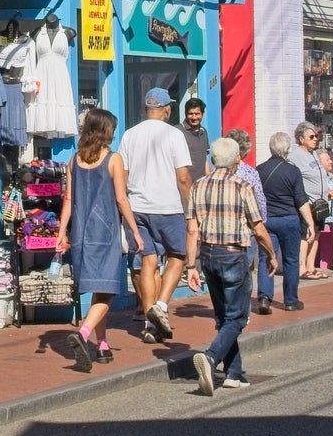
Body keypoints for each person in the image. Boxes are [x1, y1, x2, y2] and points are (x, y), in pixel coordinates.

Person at [185, 137, 282, 396]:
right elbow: (258, 228)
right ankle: (210, 357)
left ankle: (234, 373)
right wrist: (271, 255)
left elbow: (192, 229)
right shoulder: (242, 186)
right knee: (237, 317)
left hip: (208, 255)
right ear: (235, 159)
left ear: (212, 159)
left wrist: (191, 265)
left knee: (224, 317)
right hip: (233, 254)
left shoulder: (198, 186)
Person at [58, 107, 140, 369]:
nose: (114, 134)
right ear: (104, 130)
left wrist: (61, 233)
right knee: (108, 292)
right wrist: (135, 231)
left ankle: (102, 344)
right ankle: (83, 334)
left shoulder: (74, 160)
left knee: (98, 291)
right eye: (112, 129)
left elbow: (68, 199)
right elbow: (121, 199)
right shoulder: (113, 159)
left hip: (81, 234)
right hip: (105, 234)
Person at [118, 87, 193, 343]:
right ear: (167, 110)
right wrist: (191, 208)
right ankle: (160, 306)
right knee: (177, 256)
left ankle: (150, 324)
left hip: (137, 207)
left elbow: (123, 177)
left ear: (147, 109)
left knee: (148, 263)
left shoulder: (129, 135)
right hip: (168, 207)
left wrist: (124, 205)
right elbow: (183, 177)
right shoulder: (174, 135)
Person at [256, 131, 310, 313]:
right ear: (287, 149)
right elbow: (301, 200)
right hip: (289, 219)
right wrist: (309, 223)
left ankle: (264, 298)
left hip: (267, 220)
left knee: (265, 258)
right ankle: (291, 301)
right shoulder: (293, 171)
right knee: (291, 260)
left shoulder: (260, 170)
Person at [289, 122, 331, 277]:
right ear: (301, 139)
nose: (315, 139)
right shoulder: (295, 156)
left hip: (320, 204)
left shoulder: (313, 153)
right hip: (308, 203)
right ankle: (301, 269)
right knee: (306, 235)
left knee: (317, 233)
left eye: (316, 136)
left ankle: (311, 266)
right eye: (311, 137)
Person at [180, 96, 211, 176]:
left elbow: (205, 160)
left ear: (203, 114)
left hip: (201, 184)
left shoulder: (203, 132)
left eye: (197, 114)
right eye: (190, 114)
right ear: (186, 114)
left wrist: (208, 179)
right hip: (184, 184)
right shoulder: (178, 131)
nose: (194, 117)